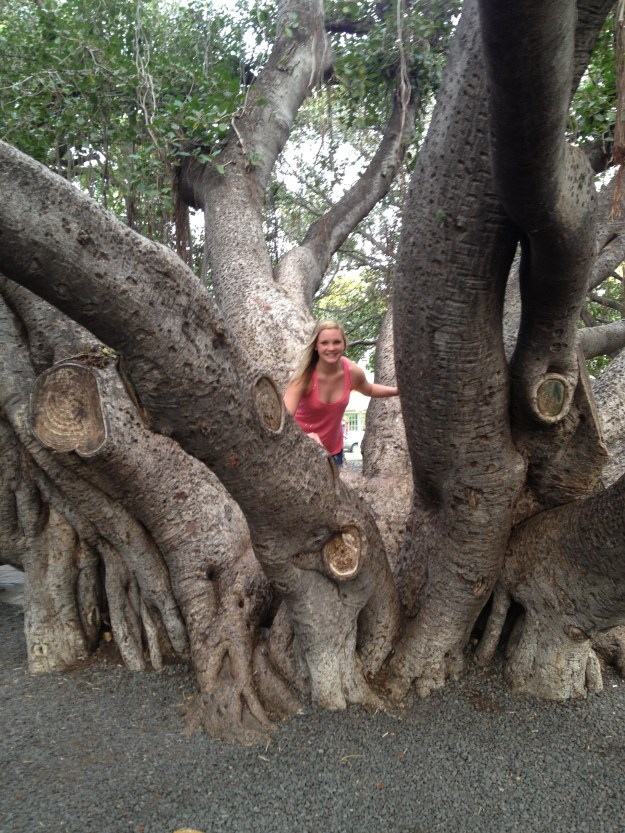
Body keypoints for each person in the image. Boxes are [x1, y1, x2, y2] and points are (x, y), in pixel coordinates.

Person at [283, 319, 399, 467]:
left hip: (333, 453)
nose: (331, 348)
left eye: (336, 342)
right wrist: (305, 436)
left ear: (344, 344)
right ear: (316, 347)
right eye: (324, 343)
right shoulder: (303, 378)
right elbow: (284, 418)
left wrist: (397, 391)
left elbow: (369, 389)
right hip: (299, 449)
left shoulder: (352, 372)